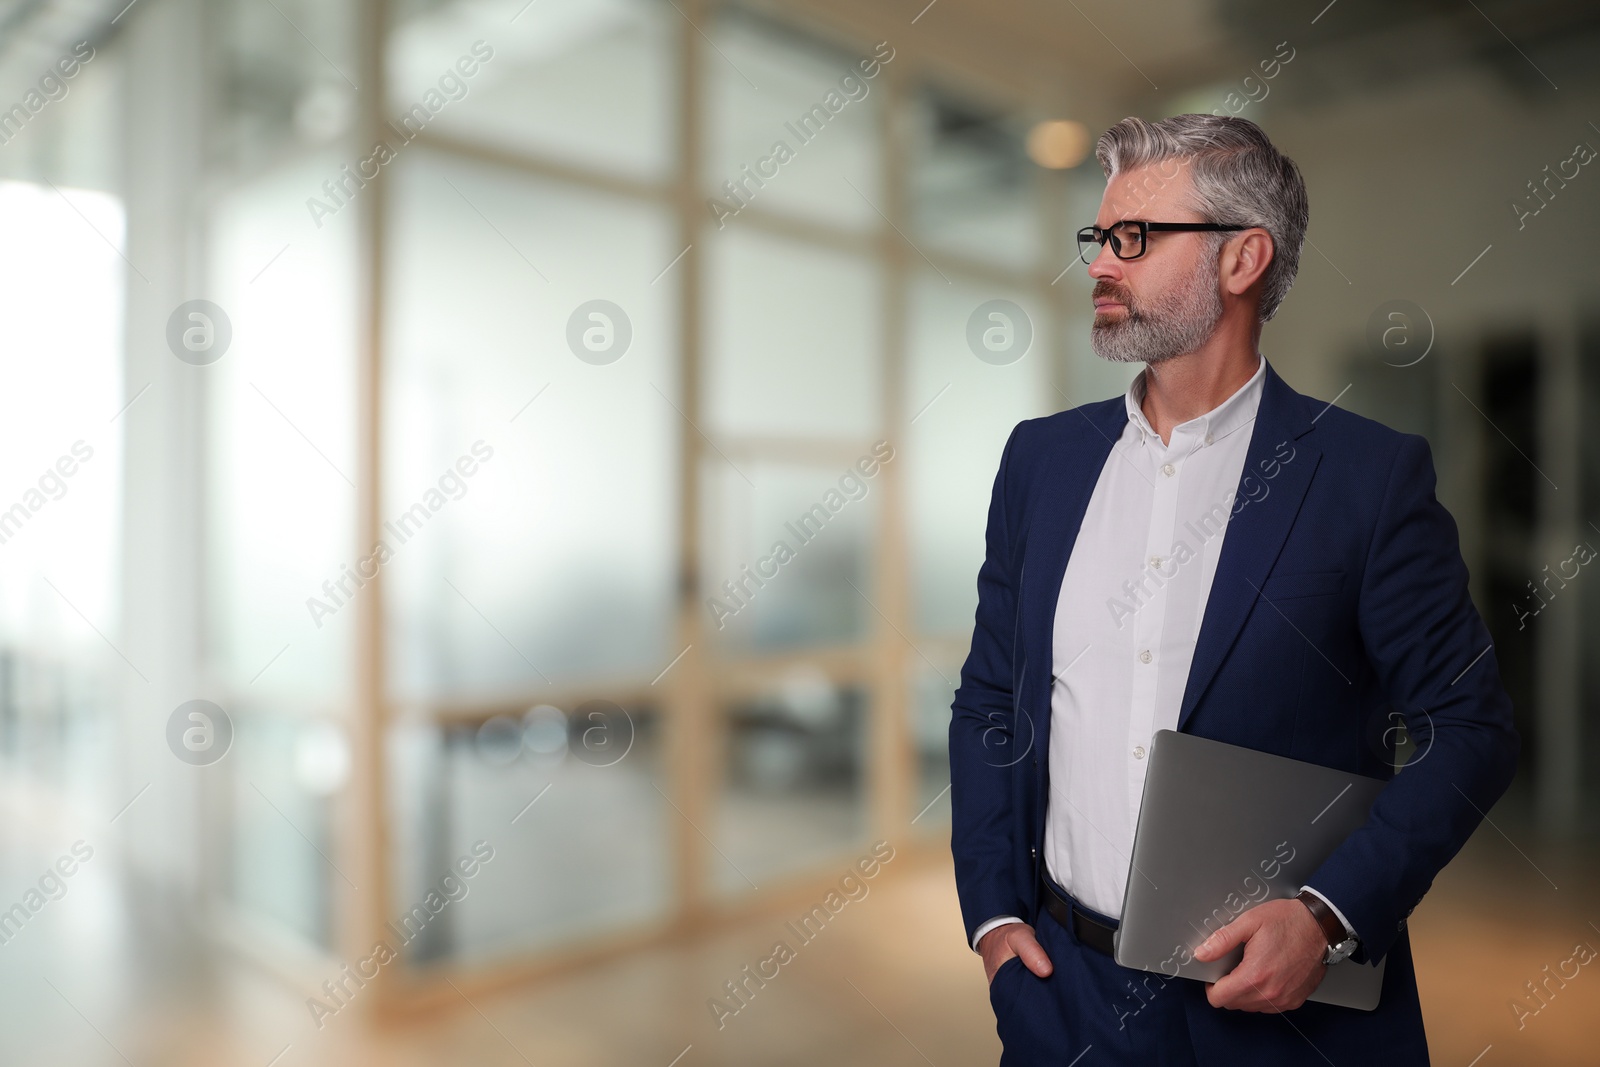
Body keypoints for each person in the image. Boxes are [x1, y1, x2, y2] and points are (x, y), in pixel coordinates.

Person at [948, 114, 1518, 1066]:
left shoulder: (1366, 480)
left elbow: (1472, 729)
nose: (1101, 263)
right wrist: (997, 919)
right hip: (1062, 996)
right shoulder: (1040, 462)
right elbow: (988, 700)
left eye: (1134, 238)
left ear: (1243, 258)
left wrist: (1329, 916)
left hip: (1281, 1020)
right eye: (1099, 237)